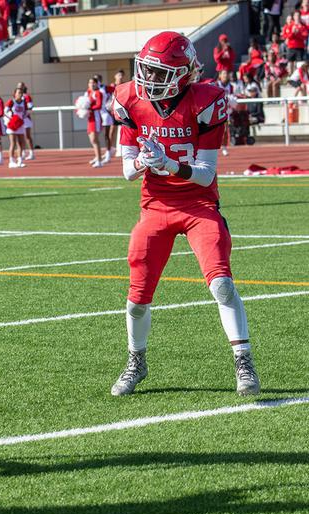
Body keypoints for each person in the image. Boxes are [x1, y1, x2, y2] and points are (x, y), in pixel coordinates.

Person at [110, 31, 259, 397]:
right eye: (146, 70)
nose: (149, 80)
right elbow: (127, 170)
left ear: (182, 74)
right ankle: (136, 360)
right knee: (137, 296)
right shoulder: (129, 97)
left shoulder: (206, 101)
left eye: (160, 73)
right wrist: (145, 162)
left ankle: (243, 360)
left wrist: (171, 165)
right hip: (155, 206)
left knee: (221, 284)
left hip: (198, 205)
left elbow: (206, 172)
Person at [4, 86, 28, 168]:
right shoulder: (11, 101)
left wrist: (23, 117)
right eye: (18, 93)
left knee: (21, 143)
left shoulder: (23, 102)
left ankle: (20, 161)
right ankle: (11, 162)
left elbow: (26, 111)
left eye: (21, 93)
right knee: (13, 143)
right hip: (12, 124)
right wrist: (12, 117)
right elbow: (5, 111)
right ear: (14, 94)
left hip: (20, 124)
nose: (20, 94)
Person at [86, 77, 104, 168]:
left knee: (94, 139)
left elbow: (99, 105)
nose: (91, 84)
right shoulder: (89, 93)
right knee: (91, 139)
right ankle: (97, 157)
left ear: (97, 84)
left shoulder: (98, 93)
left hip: (96, 118)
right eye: (90, 82)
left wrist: (89, 108)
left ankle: (100, 161)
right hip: (90, 118)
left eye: (93, 83)